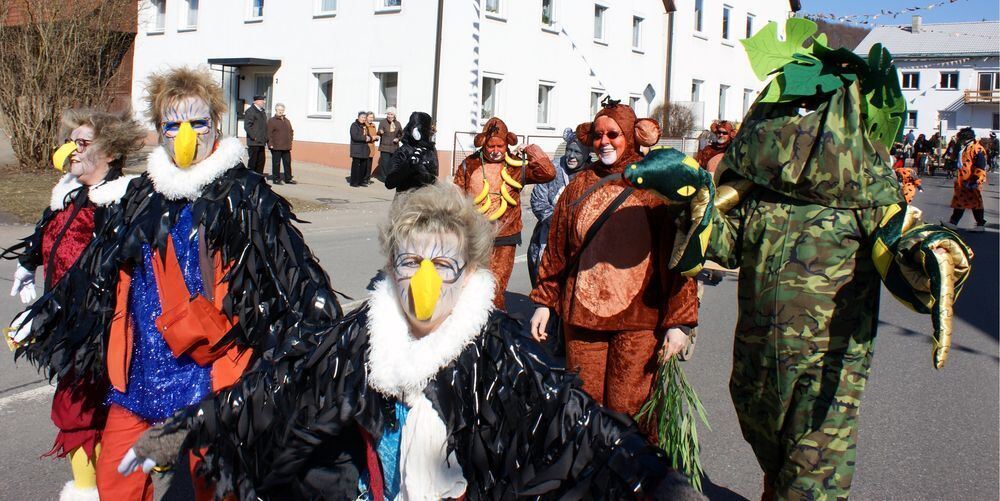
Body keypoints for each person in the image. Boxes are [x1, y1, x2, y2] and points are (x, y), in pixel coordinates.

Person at [117, 183, 703, 501]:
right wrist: (181, 432)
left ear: (469, 272)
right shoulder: (362, 337)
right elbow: (278, 388)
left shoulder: (498, 351)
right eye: (409, 260)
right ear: (391, 265)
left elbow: (583, 425)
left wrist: (661, 482)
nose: (423, 280)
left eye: (442, 263)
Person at [624, 21, 972, 499]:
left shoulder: (871, 200)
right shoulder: (758, 194)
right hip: (757, 365)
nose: (796, 125)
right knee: (775, 463)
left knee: (811, 483)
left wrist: (926, 255)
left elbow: (905, 265)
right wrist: (692, 200)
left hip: (825, 377)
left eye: (810, 109)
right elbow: (724, 246)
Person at [12, 67, 344, 500]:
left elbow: (297, 281)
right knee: (115, 482)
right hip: (138, 375)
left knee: (216, 487)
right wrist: (46, 315)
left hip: (210, 378)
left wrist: (324, 350)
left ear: (216, 125)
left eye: (197, 122)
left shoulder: (244, 195)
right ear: (160, 131)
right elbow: (96, 268)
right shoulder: (144, 194)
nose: (185, 135)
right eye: (172, 124)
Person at [528, 101, 698, 435]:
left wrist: (679, 322)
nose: (604, 141)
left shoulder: (654, 186)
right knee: (583, 408)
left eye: (613, 134)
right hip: (583, 319)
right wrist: (544, 302)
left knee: (629, 410)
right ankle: (588, 479)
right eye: (598, 135)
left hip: (639, 322)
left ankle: (634, 482)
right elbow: (558, 248)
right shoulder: (578, 186)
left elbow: (678, 259)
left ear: (632, 137)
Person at [5, 108, 145, 501]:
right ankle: (95, 489)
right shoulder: (69, 191)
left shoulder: (120, 202)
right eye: (72, 142)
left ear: (112, 152)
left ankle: (97, 491)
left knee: (83, 411)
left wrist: (43, 316)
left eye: (83, 144)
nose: (72, 151)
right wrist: (27, 262)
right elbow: (48, 228)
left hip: (98, 331)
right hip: (65, 322)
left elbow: (97, 273)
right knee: (81, 410)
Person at [453, 117, 555, 309]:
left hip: (506, 237)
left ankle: (495, 327)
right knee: (470, 285)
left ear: (508, 143)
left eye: (500, 146)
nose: (496, 151)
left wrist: (531, 151)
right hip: (474, 235)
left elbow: (548, 173)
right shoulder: (470, 164)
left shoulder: (516, 166)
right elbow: (456, 195)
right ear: (483, 142)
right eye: (491, 146)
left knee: (496, 287)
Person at [527, 127, 586, 288]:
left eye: (577, 152)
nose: (571, 156)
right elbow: (538, 200)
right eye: (569, 150)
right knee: (544, 283)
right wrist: (560, 222)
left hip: (579, 242)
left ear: (587, 154)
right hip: (547, 236)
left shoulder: (592, 174)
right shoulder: (552, 169)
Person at [944, 127, 988, 232]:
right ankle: (953, 222)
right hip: (963, 180)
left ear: (965, 137)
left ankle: (980, 224)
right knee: (960, 201)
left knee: (975, 202)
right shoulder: (965, 148)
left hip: (971, 180)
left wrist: (975, 179)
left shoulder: (976, 148)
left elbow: (981, 165)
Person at [383, 111, 438, 194]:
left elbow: (433, 178)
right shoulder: (404, 151)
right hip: (405, 202)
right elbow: (389, 183)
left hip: (426, 202)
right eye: (429, 128)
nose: (432, 131)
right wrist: (408, 166)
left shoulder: (430, 150)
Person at [266, 103, 295, 184]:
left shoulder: (287, 120)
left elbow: (291, 131)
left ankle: (288, 179)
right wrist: (270, 143)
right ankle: (276, 179)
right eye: (279, 110)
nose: (280, 111)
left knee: (287, 163)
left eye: (282, 110)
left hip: (286, 146)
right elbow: (269, 133)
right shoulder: (272, 120)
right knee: (276, 163)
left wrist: (291, 139)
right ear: (276, 110)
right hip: (276, 146)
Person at [374, 107, 403, 183]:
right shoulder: (383, 122)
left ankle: (391, 177)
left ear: (394, 115)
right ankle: (384, 178)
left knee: (393, 163)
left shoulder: (398, 123)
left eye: (391, 114)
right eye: (388, 114)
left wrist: (398, 139)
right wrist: (380, 132)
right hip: (385, 146)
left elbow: (401, 134)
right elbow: (378, 133)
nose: (389, 116)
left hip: (394, 147)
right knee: (384, 164)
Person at [243, 95, 268, 174]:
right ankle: (250, 177)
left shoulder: (262, 111)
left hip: (261, 141)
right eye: (262, 100)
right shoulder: (250, 111)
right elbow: (247, 126)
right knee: (253, 161)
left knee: (261, 161)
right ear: (256, 101)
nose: (264, 102)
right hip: (254, 141)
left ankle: (259, 177)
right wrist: (254, 137)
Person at [349, 111, 370, 187]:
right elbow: (355, 136)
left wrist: (370, 138)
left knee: (363, 167)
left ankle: (361, 181)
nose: (363, 119)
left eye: (365, 117)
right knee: (356, 167)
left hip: (364, 150)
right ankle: (354, 182)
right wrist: (365, 138)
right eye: (362, 117)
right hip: (357, 149)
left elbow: (369, 136)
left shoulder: (365, 126)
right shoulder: (354, 125)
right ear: (358, 117)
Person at [363, 111, 378, 185]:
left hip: (372, 147)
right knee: (365, 164)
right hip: (366, 147)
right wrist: (373, 138)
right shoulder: (364, 125)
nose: (371, 119)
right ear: (366, 117)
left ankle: (367, 178)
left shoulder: (373, 125)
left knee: (369, 164)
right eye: (370, 117)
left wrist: (377, 137)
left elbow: (374, 134)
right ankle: (364, 179)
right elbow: (365, 137)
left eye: (372, 117)